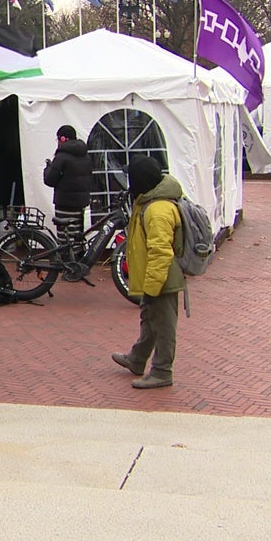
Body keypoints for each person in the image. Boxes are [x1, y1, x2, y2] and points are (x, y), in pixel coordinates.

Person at [111, 155, 184, 389]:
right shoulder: (148, 202)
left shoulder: (157, 210)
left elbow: (161, 252)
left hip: (162, 277)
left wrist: (152, 287)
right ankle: (137, 358)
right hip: (155, 276)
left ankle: (162, 371)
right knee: (150, 320)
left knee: (163, 326)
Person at [42, 124, 94, 251]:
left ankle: (67, 264)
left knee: (64, 238)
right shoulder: (86, 156)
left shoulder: (62, 157)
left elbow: (50, 180)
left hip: (64, 203)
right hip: (81, 204)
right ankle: (77, 264)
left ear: (63, 139)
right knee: (77, 236)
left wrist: (48, 168)